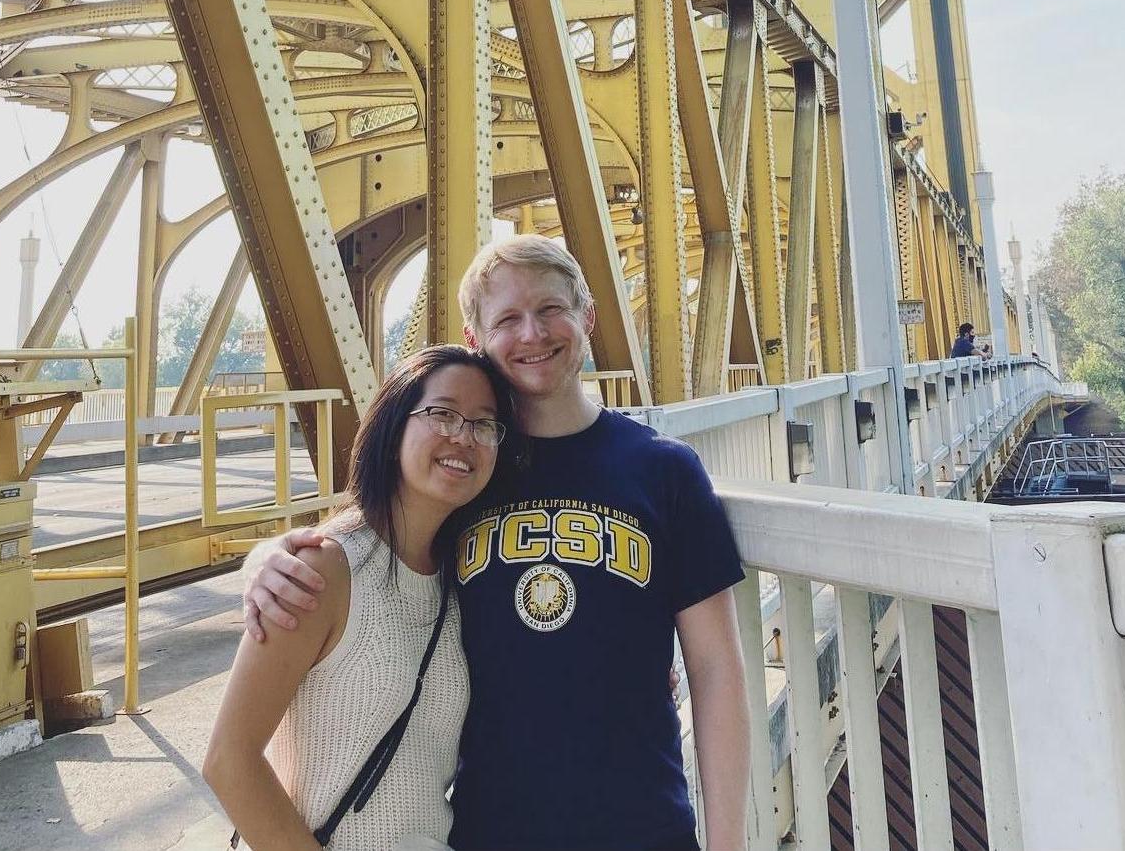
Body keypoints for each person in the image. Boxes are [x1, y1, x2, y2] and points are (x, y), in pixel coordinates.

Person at [243, 236, 751, 851]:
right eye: (507, 318)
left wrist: (727, 843)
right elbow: (369, 537)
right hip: (487, 830)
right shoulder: (469, 470)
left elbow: (715, 669)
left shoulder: (665, 471)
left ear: (587, 316)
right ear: (476, 338)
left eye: (550, 309)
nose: (532, 333)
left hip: (642, 825)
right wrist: (267, 559)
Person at [204, 344, 517, 851]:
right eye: (443, 414)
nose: (464, 436)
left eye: (485, 425)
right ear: (393, 428)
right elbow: (229, 760)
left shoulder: (465, 581)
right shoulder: (322, 569)